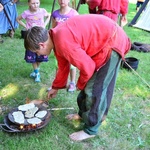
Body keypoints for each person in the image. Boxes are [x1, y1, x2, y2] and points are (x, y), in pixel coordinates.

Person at [24, 14, 131, 141]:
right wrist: (56, 87)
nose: (38, 54)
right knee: (88, 85)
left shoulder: (63, 41)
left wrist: (80, 84)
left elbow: (88, 67)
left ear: (41, 45)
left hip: (112, 43)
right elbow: (63, 66)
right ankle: (82, 114)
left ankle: (91, 130)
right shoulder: (55, 37)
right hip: (104, 41)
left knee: (95, 89)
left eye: (36, 52)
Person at [16, 0, 50, 82]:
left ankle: (36, 70)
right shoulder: (26, 13)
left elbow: (48, 16)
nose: (35, 5)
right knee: (32, 55)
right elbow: (18, 19)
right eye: (33, 3)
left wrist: (44, 25)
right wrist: (26, 27)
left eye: (37, 3)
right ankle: (37, 73)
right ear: (29, 3)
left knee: (40, 56)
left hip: (41, 37)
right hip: (31, 38)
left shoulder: (42, 11)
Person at [51, 0, 79, 92]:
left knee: (72, 65)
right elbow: (53, 28)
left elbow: (78, 29)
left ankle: (72, 83)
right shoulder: (55, 14)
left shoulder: (74, 14)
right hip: (58, 44)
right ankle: (58, 83)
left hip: (70, 44)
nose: (62, 1)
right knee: (58, 64)